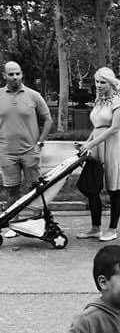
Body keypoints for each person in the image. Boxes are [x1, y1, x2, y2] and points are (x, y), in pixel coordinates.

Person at [76, 67, 120, 242]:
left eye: (102, 82)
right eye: (97, 82)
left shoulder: (119, 100)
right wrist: (86, 143)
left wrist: (91, 143)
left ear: (111, 82)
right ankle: (95, 228)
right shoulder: (99, 100)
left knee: (113, 189)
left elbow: (114, 127)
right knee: (93, 187)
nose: (99, 85)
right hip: (97, 145)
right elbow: (97, 126)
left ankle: (112, 229)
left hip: (114, 146)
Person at [0, 61, 53, 235]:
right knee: (11, 189)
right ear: (4, 76)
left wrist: (40, 143)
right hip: (6, 152)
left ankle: (37, 223)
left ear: (21, 74)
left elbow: (48, 120)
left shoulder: (34, 95)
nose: (15, 77)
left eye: (17, 73)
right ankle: (12, 224)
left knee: (35, 189)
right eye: (11, 74)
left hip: (30, 151)